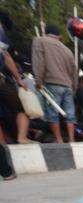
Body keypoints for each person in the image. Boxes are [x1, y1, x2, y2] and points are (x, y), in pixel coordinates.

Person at [32, 24, 77, 143]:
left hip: (52, 82)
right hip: (68, 85)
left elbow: (39, 63)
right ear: (59, 36)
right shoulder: (67, 49)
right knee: (70, 114)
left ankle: (59, 139)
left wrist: (38, 81)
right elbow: (74, 70)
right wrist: (74, 87)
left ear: (46, 33)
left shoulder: (39, 41)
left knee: (52, 113)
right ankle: (72, 139)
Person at [0, 12, 30, 145]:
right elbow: (6, 57)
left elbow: (6, 57)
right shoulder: (2, 35)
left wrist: (17, 78)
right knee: (21, 107)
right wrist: (19, 79)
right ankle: (21, 138)